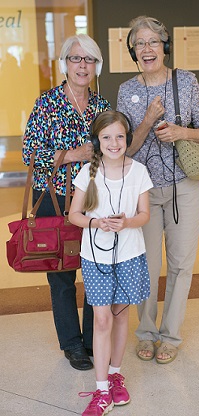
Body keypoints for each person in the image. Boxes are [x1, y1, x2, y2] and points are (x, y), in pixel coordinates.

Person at [117, 16, 199, 364]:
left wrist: (181, 132)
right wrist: (146, 122)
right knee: (145, 265)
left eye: (153, 42)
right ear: (133, 51)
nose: (147, 49)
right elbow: (124, 149)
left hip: (184, 188)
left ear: (164, 46)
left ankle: (170, 335)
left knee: (180, 265)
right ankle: (145, 332)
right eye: (140, 43)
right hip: (142, 192)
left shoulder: (186, 82)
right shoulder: (127, 91)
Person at [22, 34, 111, 371]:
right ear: (66, 63)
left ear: (96, 65)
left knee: (95, 270)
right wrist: (74, 154)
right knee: (61, 274)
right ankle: (72, 344)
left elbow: (114, 147)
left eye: (88, 59)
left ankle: (92, 338)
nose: (82, 65)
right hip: (54, 199)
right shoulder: (47, 103)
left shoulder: (103, 106)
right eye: (76, 58)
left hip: (95, 200)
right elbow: (29, 154)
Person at [69, 110, 153, 416]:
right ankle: (102, 389)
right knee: (101, 319)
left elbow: (144, 215)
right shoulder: (88, 173)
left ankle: (116, 374)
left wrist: (127, 222)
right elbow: (73, 215)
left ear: (127, 139)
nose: (114, 143)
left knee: (119, 317)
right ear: (97, 141)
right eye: (106, 137)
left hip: (129, 255)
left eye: (119, 136)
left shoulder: (139, 171)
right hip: (96, 258)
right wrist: (96, 223)